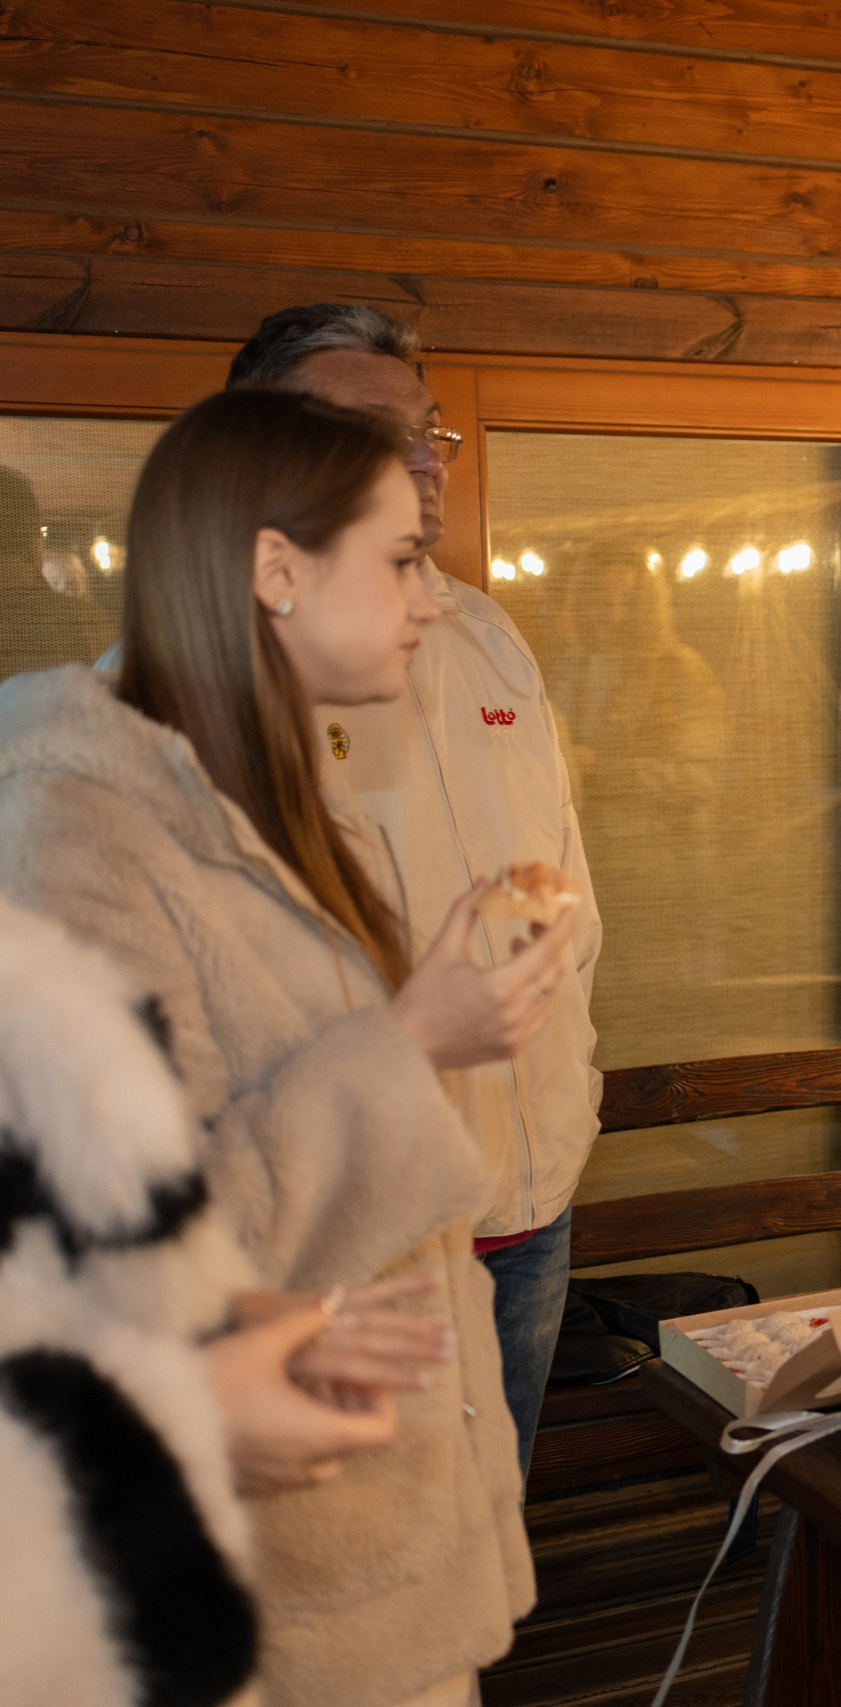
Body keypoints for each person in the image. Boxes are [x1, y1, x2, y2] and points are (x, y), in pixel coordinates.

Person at [0, 388, 577, 1707]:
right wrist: (413, 1039)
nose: (427, 599)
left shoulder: (280, 791)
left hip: (383, 1536)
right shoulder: (75, 835)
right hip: (268, 1597)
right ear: (275, 569)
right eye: (400, 559)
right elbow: (132, 1252)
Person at [227, 304, 603, 1473]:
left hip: (527, 1198)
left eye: (427, 432)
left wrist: (574, 1092)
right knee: (352, 1554)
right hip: (357, 1237)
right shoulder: (213, 672)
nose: (423, 459)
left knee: (494, 1535)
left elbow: (564, 886)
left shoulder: (486, 634)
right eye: (371, 431)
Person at [0, 896, 458, 1705]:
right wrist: (184, 1413)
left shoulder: (26, 961)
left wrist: (220, 1320)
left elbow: (60, 1278)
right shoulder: (74, 853)